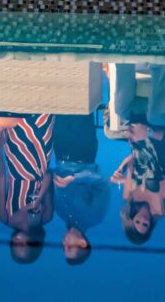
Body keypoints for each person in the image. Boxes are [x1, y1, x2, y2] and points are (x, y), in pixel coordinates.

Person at [0, 113, 54, 264]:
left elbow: (0, 178)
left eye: (15, 246)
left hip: (15, 159)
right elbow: (49, 176)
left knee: (16, 112)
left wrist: (0, 146)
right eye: (23, 246)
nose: (18, 242)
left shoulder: (5, 217)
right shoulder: (45, 217)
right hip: (41, 157)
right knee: (43, 111)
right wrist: (38, 198)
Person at [52, 113, 110, 266]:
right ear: (82, 243)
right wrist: (75, 178)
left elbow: (53, 179)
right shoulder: (94, 217)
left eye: (63, 247)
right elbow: (104, 183)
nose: (64, 242)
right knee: (81, 101)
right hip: (83, 152)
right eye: (69, 247)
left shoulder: (61, 213)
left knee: (58, 105)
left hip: (60, 151)